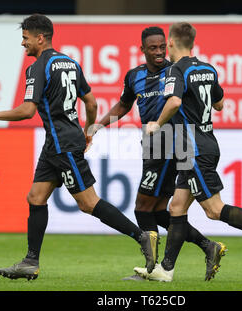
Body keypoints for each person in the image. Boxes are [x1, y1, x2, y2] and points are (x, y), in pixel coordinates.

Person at [0, 14, 158, 280]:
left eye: (25, 38)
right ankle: (30, 262)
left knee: (88, 203)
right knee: (36, 197)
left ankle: (141, 237)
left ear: (40, 38)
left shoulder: (38, 67)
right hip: (59, 142)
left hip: (62, 144)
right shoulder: (70, 62)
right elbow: (91, 103)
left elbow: (27, 111)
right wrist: (88, 130)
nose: (23, 44)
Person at [134, 22, 242, 282]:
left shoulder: (176, 70)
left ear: (170, 42)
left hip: (192, 148)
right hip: (203, 143)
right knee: (177, 207)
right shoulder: (207, 68)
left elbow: (174, 101)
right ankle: (166, 270)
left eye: (166, 43)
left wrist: (156, 124)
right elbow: (220, 104)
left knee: (214, 210)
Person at [92, 26, 226, 281]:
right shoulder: (134, 76)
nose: (159, 52)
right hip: (153, 144)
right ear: (142, 49)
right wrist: (98, 125)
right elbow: (124, 104)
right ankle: (208, 246)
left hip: (172, 142)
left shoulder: (175, 71)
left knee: (143, 207)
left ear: (168, 46)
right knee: (162, 211)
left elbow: (198, 99)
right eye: (152, 48)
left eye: (162, 47)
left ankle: (152, 269)